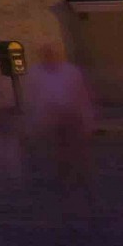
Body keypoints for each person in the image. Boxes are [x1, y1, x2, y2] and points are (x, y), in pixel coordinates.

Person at [24, 40, 96, 196]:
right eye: (47, 53)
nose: (51, 56)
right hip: (49, 119)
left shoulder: (71, 71)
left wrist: (87, 120)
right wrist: (33, 122)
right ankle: (60, 179)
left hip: (71, 117)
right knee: (55, 151)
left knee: (75, 151)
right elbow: (31, 98)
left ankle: (79, 181)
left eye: (53, 53)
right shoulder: (35, 73)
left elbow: (81, 96)